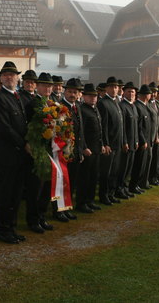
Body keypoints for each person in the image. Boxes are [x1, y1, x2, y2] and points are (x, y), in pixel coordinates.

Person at [0, 61, 29, 244]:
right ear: (1, 78)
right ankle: (2, 229)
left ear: (17, 78)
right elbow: (4, 128)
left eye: (12, 75)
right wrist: (24, 144)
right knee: (5, 194)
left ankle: (11, 227)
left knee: (15, 194)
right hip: (7, 155)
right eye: (5, 75)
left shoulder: (17, 96)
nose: (8, 77)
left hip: (19, 155)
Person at [24, 72, 57, 232]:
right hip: (37, 150)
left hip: (50, 149)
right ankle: (33, 219)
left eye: (50, 86)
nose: (48, 88)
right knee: (35, 188)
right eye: (44, 85)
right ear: (37, 86)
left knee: (46, 187)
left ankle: (42, 216)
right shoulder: (32, 104)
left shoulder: (51, 103)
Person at [57, 78, 87, 219]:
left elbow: (80, 131)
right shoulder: (60, 107)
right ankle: (58, 210)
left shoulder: (78, 107)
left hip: (75, 152)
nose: (72, 94)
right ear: (65, 91)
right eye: (69, 91)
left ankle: (67, 207)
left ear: (79, 93)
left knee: (72, 182)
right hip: (63, 153)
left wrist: (80, 151)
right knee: (62, 183)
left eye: (75, 92)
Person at [78, 83, 106, 212]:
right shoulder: (82, 109)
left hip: (96, 149)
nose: (93, 98)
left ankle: (89, 200)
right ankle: (82, 202)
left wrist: (102, 145)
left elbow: (100, 129)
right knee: (84, 178)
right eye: (90, 96)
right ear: (84, 96)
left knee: (94, 176)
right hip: (87, 150)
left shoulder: (95, 109)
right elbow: (81, 131)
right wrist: (84, 147)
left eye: (94, 95)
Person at [97, 76, 124, 205]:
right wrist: (105, 143)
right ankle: (104, 195)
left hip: (118, 143)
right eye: (111, 87)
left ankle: (111, 193)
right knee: (106, 172)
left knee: (114, 171)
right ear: (106, 88)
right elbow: (104, 126)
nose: (114, 89)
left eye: (116, 87)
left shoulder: (116, 103)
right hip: (110, 144)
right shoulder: (103, 103)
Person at [116, 82, 139, 199]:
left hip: (133, 143)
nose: (131, 94)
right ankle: (119, 189)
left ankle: (125, 188)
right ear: (124, 92)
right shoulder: (122, 106)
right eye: (129, 91)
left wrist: (136, 140)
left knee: (129, 167)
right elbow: (123, 126)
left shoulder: (133, 106)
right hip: (125, 144)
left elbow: (136, 126)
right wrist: (124, 142)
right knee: (123, 168)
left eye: (133, 92)